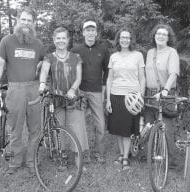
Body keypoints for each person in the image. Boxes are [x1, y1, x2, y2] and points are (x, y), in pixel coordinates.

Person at [0, 7, 45, 174]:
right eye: (23, 19)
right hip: (14, 89)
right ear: (17, 20)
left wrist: (42, 81)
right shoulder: (6, 41)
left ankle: (31, 161)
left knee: (35, 129)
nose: (26, 23)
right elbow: (0, 65)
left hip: (34, 89)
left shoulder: (39, 44)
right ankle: (15, 162)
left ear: (34, 23)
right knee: (15, 128)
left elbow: (44, 65)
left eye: (29, 20)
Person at [38, 27, 89, 169]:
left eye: (63, 38)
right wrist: (42, 84)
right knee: (58, 129)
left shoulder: (76, 57)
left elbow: (79, 78)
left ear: (68, 40)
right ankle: (62, 156)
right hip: (56, 99)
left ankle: (79, 157)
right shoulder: (49, 57)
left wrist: (73, 89)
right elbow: (44, 72)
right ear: (54, 40)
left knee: (77, 128)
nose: (61, 41)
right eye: (58, 38)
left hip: (74, 99)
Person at [106, 27, 146, 170]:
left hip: (132, 97)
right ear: (119, 40)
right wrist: (108, 99)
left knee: (127, 129)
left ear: (131, 40)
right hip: (115, 95)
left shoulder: (138, 55)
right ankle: (122, 154)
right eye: (122, 37)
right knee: (117, 128)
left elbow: (142, 77)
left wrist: (140, 97)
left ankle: (125, 158)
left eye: (127, 37)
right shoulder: (113, 57)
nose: (124, 40)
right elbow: (109, 79)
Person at [71, 19, 109, 163]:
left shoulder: (103, 50)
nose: (90, 32)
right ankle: (83, 153)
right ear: (83, 32)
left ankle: (99, 153)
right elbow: (70, 71)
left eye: (93, 30)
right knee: (80, 124)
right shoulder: (75, 50)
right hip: (80, 92)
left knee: (100, 124)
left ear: (96, 32)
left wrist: (104, 90)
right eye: (88, 30)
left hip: (97, 92)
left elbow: (107, 72)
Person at [144, 23, 181, 168]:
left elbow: (173, 73)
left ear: (168, 38)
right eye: (158, 33)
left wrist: (165, 91)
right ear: (154, 36)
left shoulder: (172, 52)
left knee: (167, 129)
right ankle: (151, 155)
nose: (160, 36)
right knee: (150, 126)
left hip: (166, 94)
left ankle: (173, 161)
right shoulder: (149, 53)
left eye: (164, 34)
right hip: (150, 94)